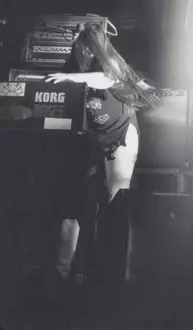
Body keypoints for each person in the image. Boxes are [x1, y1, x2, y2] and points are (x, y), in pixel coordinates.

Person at [44, 25, 156, 293]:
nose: (78, 50)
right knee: (79, 202)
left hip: (120, 134)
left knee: (117, 198)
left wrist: (71, 77)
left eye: (81, 45)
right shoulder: (81, 66)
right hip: (97, 138)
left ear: (92, 46)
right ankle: (65, 272)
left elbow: (108, 78)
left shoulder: (110, 63)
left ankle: (120, 275)